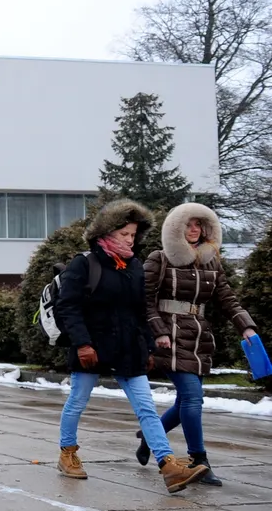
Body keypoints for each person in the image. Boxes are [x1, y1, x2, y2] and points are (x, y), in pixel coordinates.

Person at [54, 199, 208, 493]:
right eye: (124, 233)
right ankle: (67, 453)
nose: (130, 239)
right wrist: (83, 344)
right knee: (77, 401)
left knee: (147, 409)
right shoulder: (85, 263)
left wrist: (148, 346)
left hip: (128, 347)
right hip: (92, 348)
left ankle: (168, 465)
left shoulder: (134, 265)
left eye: (133, 234)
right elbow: (68, 308)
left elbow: (140, 311)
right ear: (107, 232)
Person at [140, 203, 257, 486]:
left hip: (199, 338)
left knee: (184, 401)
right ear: (176, 228)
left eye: (199, 225)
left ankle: (150, 436)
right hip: (168, 337)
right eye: (189, 225)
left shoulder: (211, 261)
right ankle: (199, 460)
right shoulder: (160, 258)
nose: (194, 230)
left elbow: (227, 299)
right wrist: (158, 332)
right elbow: (143, 300)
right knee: (192, 397)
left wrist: (247, 327)